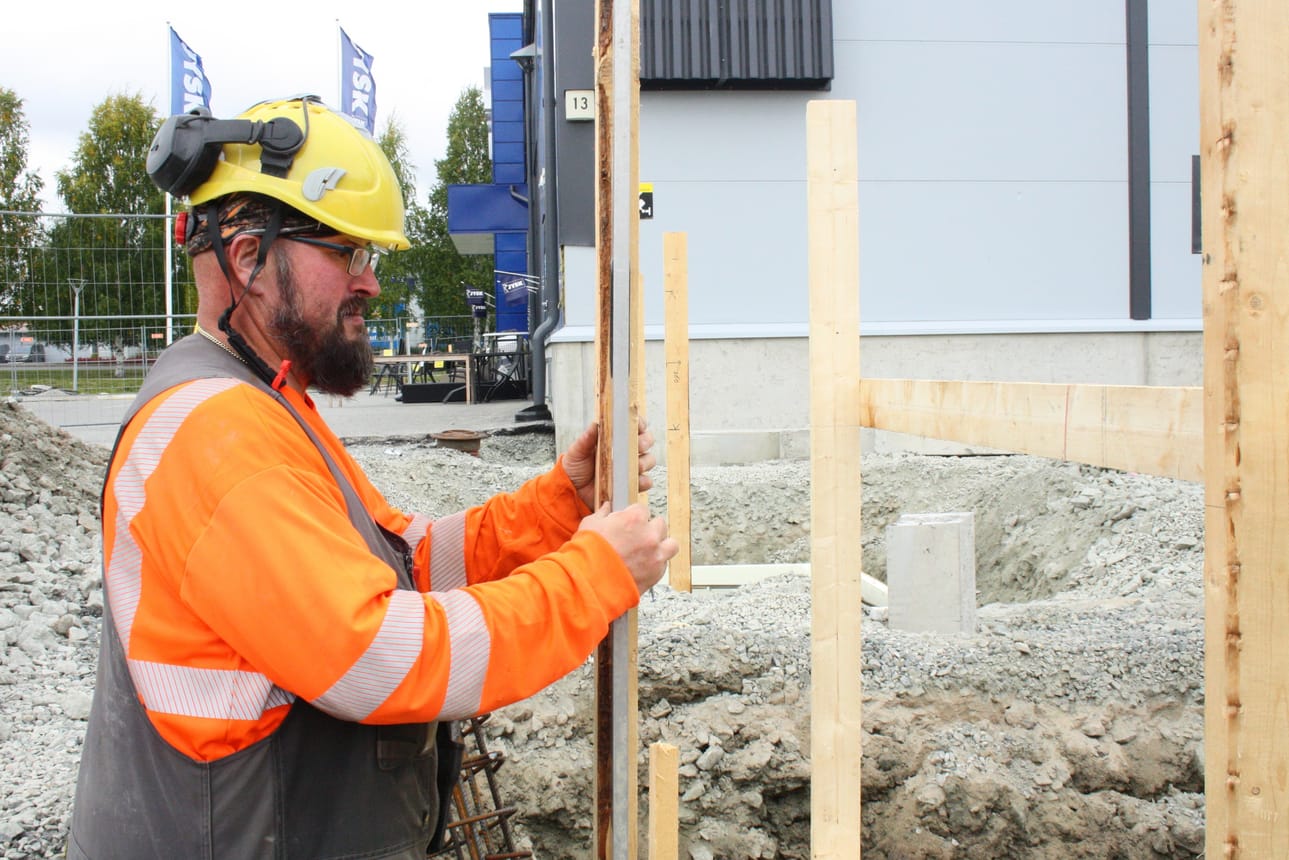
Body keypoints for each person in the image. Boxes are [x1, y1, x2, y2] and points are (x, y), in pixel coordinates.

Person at [66, 95, 677, 860]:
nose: (371, 283)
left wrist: (560, 506)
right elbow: (375, 657)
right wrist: (592, 577)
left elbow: (405, 561)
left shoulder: (263, 398)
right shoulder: (216, 432)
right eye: (347, 253)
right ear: (250, 258)